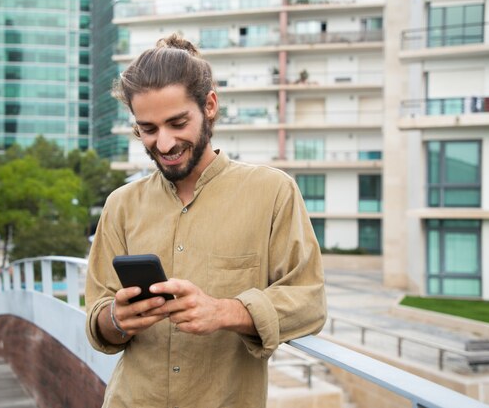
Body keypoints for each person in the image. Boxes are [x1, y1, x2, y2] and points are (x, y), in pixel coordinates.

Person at [85, 34, 326, 408]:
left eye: (177, 122)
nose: (163, 144)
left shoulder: (273, 192)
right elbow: (98, 317)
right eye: (147, 129)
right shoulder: (120, 205)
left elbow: (308, 300)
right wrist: (117, 319)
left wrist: (225, 311)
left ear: (210, 105)